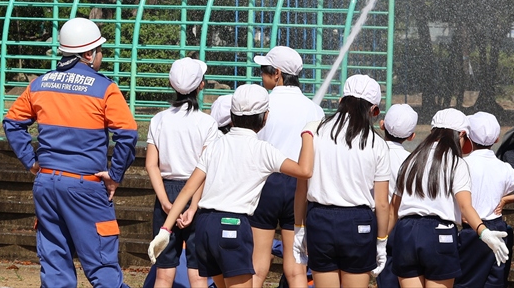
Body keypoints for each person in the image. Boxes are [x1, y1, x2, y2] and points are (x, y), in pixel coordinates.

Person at [3, 17, 137, 288]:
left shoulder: (39, 84)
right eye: (100, 50)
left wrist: (31, 162)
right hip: (85, 186)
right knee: (102, 266)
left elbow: (12, 123)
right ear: (88, 54)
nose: (101, 56)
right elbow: (128, 133)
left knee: (55, 267)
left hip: (46, 184)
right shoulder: (105, 88)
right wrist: (115, 175)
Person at [148, 84, 314, 288]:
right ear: (265, 117)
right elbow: (304, 170)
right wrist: (308, 134)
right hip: (233, 225)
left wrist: (165, 229)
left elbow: (187, 189)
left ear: (232, 116)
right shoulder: (263, 150)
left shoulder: (215, 145)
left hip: (205, 227)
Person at [387, 108, 508, 288]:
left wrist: (380, 241)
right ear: (462, 134)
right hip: (439, 233)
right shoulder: (456, 163)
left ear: (432, 131)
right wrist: (484, 232)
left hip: (405, 233)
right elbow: (465, 206)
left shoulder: (411, 160)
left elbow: (393, 209)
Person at [292, 75, 390, 288]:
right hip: (358, 223)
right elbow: (382, 203)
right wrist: (381, 242)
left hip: (320, 219)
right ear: (374, 110)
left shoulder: (314, 131)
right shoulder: (377, 143)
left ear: (341, 101)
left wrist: (299, 228)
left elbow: (301, 189)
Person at [250, 46, 324, 288]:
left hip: (266, 184)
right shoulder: (314, 109)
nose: (261, 75)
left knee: (257, 264)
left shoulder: (263, 104)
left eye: (264, 70)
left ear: (277, 74)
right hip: (300, 187)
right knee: (297, 268)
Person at [146, 58, 219, 288]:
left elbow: (151, 165)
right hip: (199, 194)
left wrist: (165, 202)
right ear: (201, 85)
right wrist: (193, 206)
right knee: (198, 274)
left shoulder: (158, 119)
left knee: (163, 273)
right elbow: (205, 168)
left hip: (166, 190)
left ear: (171, 84)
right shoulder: (207, 123)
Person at [456, 113, 514, 288]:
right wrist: (506, 199)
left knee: (465, 282)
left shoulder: (462, 164)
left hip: (471, 229)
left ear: (468, 137)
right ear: (497, 139)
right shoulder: (504, 168)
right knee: (494, 282)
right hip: (498, 229)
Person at [375, 103, 417, 288]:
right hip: (405, 227)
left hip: (377, 223)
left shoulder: (373, 152)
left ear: (381, 125)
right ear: (411, 136)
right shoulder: (413, 161)